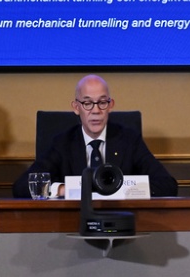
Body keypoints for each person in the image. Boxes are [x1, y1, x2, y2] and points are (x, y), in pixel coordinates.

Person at [12, 74, 177, 198]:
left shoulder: (128, 140)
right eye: (87, 103)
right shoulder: (63, 143)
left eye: (102, 102)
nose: (96, 110)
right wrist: (63, 189)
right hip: (74, 221)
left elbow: (167, 185)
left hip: (120, 219)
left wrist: (124, 189)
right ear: (76, 107)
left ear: (110, 105)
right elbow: (22, 186)